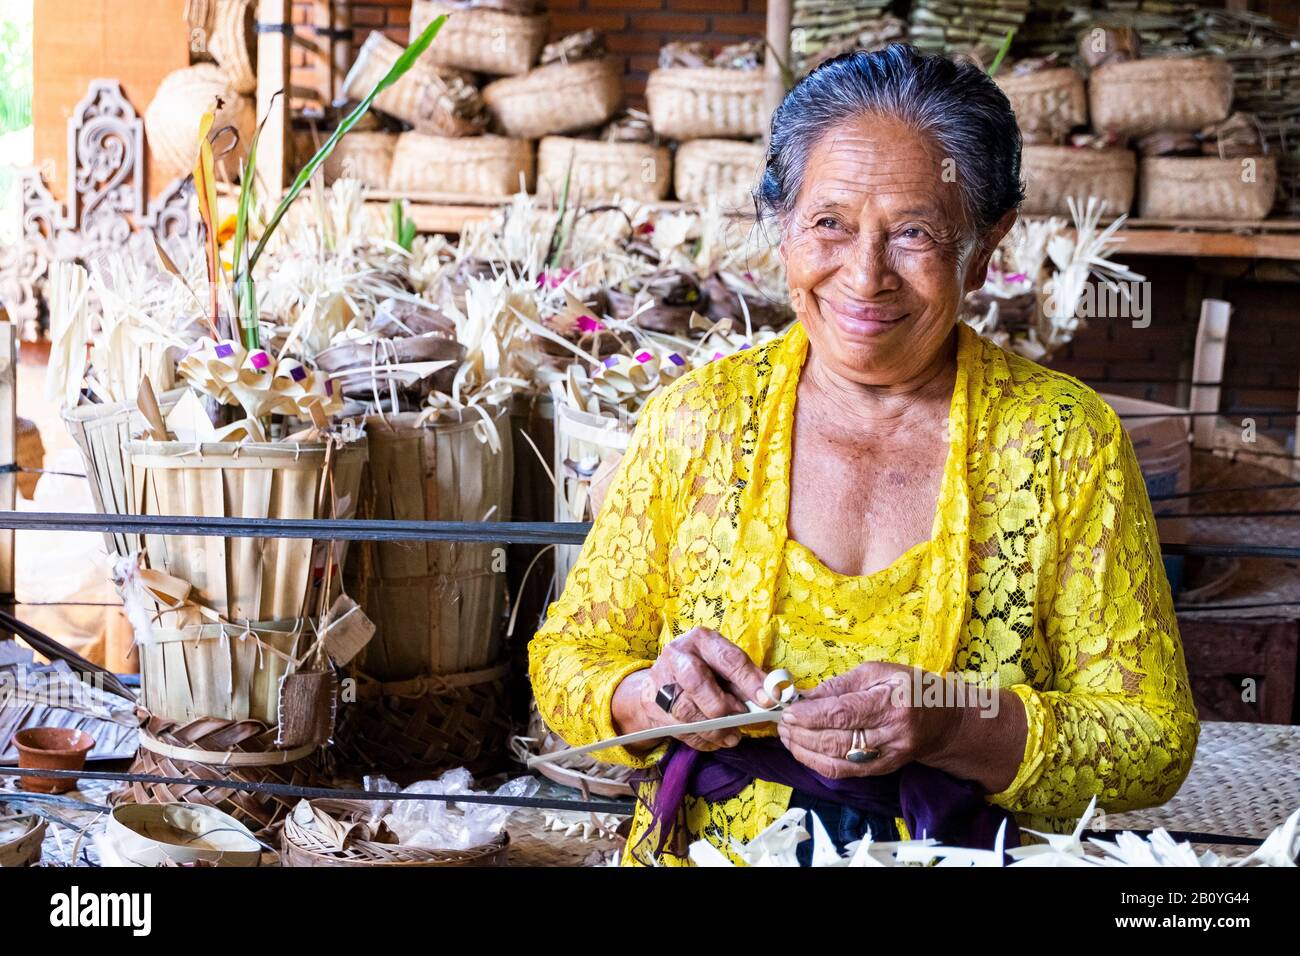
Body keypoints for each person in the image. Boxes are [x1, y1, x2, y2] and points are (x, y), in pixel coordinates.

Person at [529, 43, 1198, 866]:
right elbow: (568, 662)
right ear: (781, 226)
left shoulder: (1065, 441)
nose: (865, 275)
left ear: (986, 247)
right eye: (830, 224)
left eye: (914, 232)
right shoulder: (693, 422)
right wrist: (653, 697)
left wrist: (953, 719)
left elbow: (1153, 739)